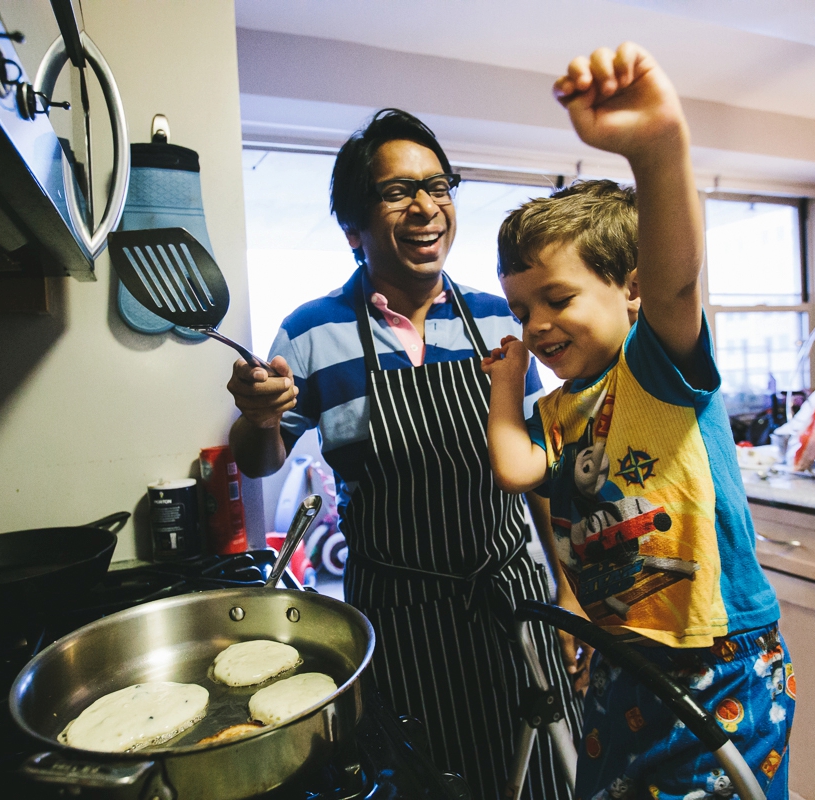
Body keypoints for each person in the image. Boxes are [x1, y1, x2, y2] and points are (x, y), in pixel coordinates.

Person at [226, 109, 582, 799]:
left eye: (439, 185)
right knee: (423, 782)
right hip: (398, 616)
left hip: (509, 603)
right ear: (354, 227)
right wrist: (258, 417)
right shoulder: (311, 331)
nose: (426, 206)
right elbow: (260, 460)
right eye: (398, 192)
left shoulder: (500, 320)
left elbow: (538, 466)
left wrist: (566, 589)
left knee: (537, 778)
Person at [482, 44, 794, 799]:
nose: (539, 323)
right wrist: (507, 387)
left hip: (717, 651)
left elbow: (676, 276)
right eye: (522, 308)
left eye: (558, 299)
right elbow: (516, 469)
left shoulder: (654, 368)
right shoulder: (555, 410)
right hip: (622, 652)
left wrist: (657, 151)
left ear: (628, 290)